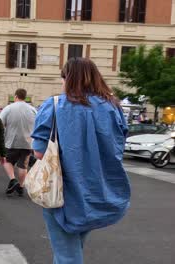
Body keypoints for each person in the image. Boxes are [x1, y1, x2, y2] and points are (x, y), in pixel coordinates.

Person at [31, 58, 130, 264]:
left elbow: (39, 153)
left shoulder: (55, 105)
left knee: (67, 254)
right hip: (98, 189)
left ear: (68, 78)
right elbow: (118, 146)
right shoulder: (113, 107)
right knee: (73, 248)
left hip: (62, 190)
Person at [0, 88, 37, 196]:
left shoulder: (8, 108)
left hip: (11, 141)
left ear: (15, 96)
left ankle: (13, 179)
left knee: (6, 160)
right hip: (28, 142)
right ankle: (21, 186)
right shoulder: (33, 109)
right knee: (23, 165)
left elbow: (0, 123)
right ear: (25, 97)